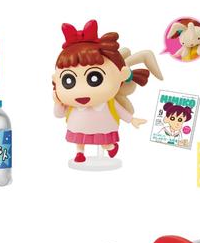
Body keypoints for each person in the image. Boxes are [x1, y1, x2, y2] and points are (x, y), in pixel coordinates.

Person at [53, 20, 159, 164]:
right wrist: (57, 102)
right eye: (68, 80)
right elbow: (59, 114)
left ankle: (110, 146)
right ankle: (80, 153)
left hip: (104, 127)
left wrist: (132, 119)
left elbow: (120, 111)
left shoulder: (108, 102)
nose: (82, 91)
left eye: (94, 78)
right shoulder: (71, 105)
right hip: (79, 127)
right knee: (80, 139)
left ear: (122, 75)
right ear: (56, 80)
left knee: (103, 140)